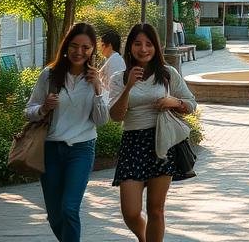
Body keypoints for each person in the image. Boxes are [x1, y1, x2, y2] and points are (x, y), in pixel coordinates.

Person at [110, 23, 198, 242]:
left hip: (162, 142)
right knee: (130, 212)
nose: (143, 49)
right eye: (137, 44)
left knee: (156, 210)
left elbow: (191, 104)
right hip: (133, 143)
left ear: (156, 47)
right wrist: (129, 86)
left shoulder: (168, 74)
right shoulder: (118, 78)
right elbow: (116, 116)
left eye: (148, 44)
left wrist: (173, 101)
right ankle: (144, 238)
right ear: (129, 47)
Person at [24, 22, 110, 242]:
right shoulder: (49, 75)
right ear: (66, 46)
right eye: (74, 46)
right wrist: (43, 108)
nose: (79, 52)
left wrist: (98, 89)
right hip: (51, 150)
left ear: (92, 50)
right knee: (54, 215)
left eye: (86, 47)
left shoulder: (95, 80)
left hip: (81, 150)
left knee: (69, 208)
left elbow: (101, 120)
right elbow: (29, 110)